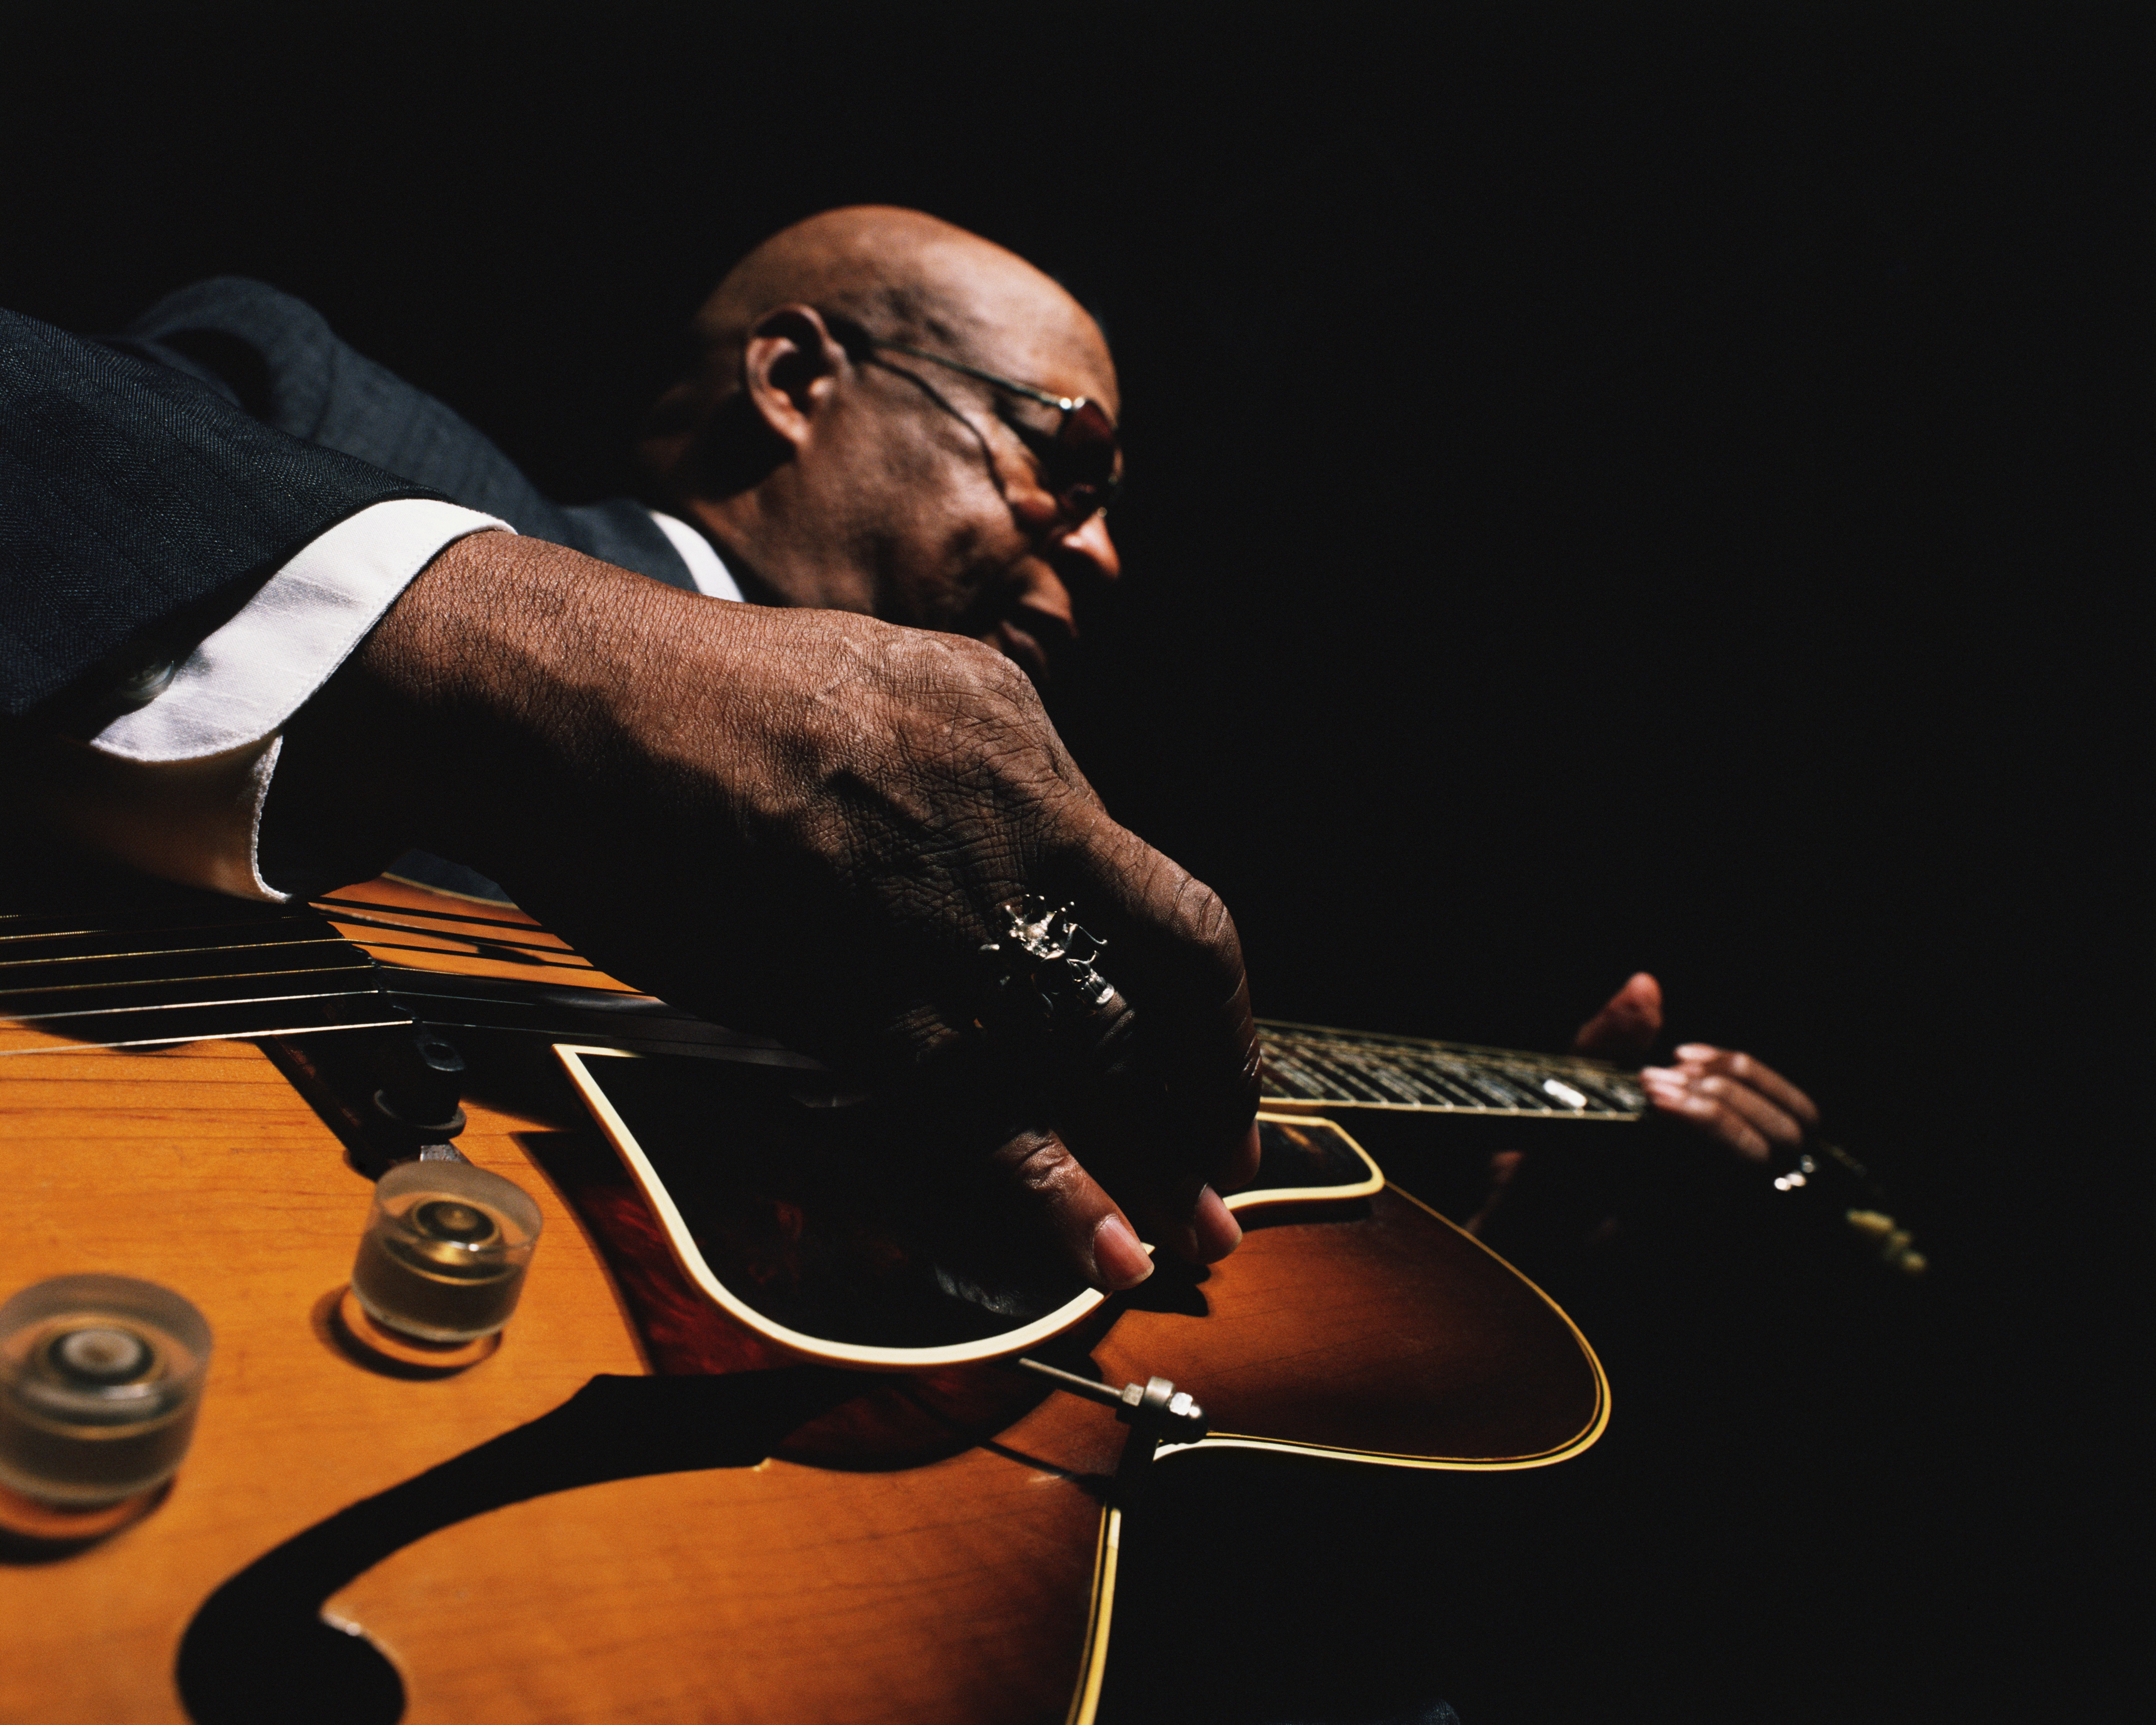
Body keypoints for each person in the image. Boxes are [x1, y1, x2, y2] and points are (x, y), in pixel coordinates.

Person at [95, 206, 1825, 1177]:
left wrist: (1516, 1177)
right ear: (793, 377)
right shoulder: (319, 409)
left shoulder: (968, 906)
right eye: (1061, 463)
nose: (1107, 555)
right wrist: (517, 649)